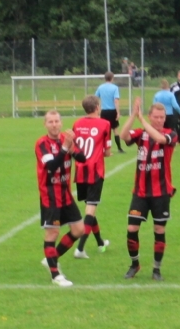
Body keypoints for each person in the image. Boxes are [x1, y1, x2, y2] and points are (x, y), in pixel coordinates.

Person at [120, 98, 178, 281]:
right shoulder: (141, 134)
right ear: (150, 116)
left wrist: (143, 121)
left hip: (161, 192)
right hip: (140, 192)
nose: (159, 120)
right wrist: (133, 115)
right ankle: (134, 264)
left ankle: (156, 269)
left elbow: (159, 139)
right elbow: (123, 136)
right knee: (132, 228)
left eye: (162, 117)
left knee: (159, 229)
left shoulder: (171, 134)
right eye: (156, 117)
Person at [35, 110, 86, 286]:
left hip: (65, 193)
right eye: (50, 122)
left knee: (79, 230)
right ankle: (55, 275)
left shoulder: (66, 138)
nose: (54, 125)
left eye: (57, 121)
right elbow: (51, 166)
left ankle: (51, 258)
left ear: (61, 123)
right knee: (53, 232)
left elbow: (82, 158)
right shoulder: (42, 144)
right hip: (50, 194)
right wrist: (65, 148)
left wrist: (73, 148)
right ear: (45, 124)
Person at [71, 95, 112, 259]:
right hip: (95, 171)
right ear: (97, 107)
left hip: (80, 171)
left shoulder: (77, 124)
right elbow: (107, 152)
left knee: (90, 208)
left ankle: (100, 242)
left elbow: (74, 147)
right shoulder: (105, 124)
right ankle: (80, 249)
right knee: (90, 210)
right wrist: (104, 152)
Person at [95, 72, 124, 153]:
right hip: (112, 111)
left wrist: (98, 109)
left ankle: (104, 148)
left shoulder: (100, 87)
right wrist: (118, 112)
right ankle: (119, 148)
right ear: (112, 78)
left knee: (105, 131)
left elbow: (96, 98)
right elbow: (116, 100)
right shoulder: (115, 88)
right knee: (115, 130)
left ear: (105, 78)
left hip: (103, 111)